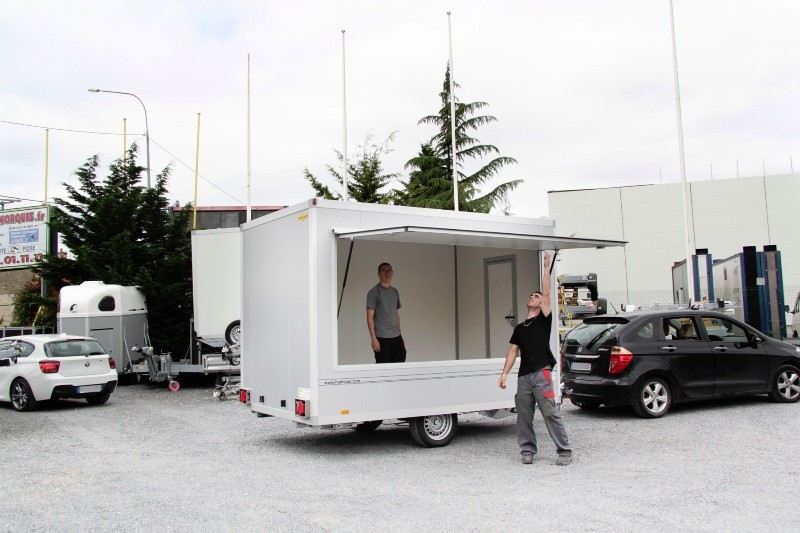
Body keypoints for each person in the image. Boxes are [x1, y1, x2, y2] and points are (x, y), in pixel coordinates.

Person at [498, 251, 572, 466]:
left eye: (536, 296)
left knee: (550, 413)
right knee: (523, 415)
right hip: (524, 377)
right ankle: (527, 450)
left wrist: (547, 267)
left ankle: (564, 451)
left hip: (541, 373)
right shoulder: (520, 328)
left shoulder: (544, 320)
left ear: (541, 305)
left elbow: (547, 292)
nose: (533, 297)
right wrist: (504, 374)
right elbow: (513, 351)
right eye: (531, 295)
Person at [366, 262, 406, 363]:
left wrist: (400, 334)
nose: (387, 273)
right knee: (383, 367)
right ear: (378, 273)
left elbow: (396, 314)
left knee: (400, 364)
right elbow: (370, 317)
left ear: (392, 272)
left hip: (396, 336)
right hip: (382, 337)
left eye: (389, 270)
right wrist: (373, 339)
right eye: (383, 270)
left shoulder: (394, 291)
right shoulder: (374, 292)